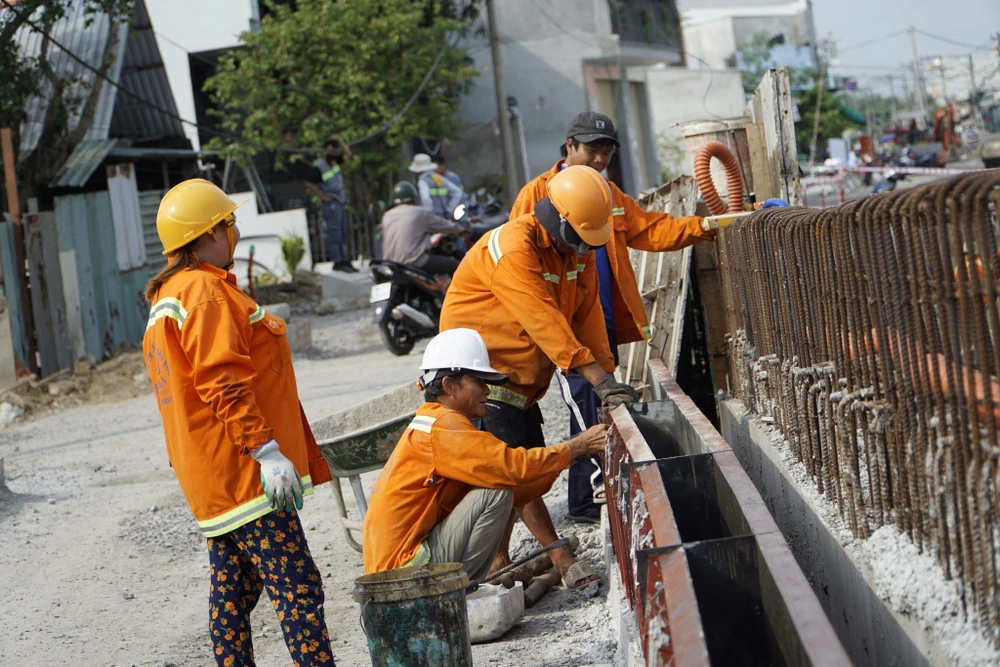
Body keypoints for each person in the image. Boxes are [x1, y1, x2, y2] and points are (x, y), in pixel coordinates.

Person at [143, 179, 336, 666]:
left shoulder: (170, 296)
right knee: (298, 589)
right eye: (230, 223)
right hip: (245, 474)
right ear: (209, 232)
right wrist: (266, 452)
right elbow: (223, 382)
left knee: (233, 596)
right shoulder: (204, 293)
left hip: (213, 479)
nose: (236, 231)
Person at [440, 165, 640, 590]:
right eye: (581, 239)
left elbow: (587, 319)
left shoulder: (574, 252)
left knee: (518, 468)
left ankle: (497, 564)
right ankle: (560, 556)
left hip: (522, 379)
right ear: (559, 219)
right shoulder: (514, 247)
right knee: (518, 470)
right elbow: (543, 319)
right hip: (479, 379)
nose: (586, 250)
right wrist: (592, 376)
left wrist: (607, 376)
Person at [509, 111, 714, 523]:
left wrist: (707, 226)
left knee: (595, 405)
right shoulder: (536, 194)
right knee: (588, 401)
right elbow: (521, 268)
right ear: (570, 148)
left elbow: (652, 231)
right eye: (592, 150)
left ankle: (588, 497)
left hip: (597, 320)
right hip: (562, 323)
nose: (600, 159)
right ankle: (593, 493)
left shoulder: (610, 194)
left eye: (606, 152)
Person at [361, 328, 609, 581]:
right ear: (449, 385)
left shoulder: (439, 422)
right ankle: (466, 587)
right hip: (405, 574)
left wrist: (565, 459)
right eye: (479, 382)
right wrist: (577, 446)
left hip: (397, 568)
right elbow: (508, 469)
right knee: (496, 489)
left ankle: (481, 576)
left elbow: (518, 485)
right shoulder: (444, 426)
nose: (487, 391)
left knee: (499, 484)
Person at [381, 181, 464, 277]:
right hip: (415, 261)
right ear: (413, 198)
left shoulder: (387, 216)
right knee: (455, 265)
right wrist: (458, 229)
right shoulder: (419, 212)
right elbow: (443, 224)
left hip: (392, 265)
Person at [306, 137, 355, 273]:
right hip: (331, 203)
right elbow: (309, 183)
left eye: (334, 151)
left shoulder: (334, 162)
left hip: (340, 202)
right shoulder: (318, 166)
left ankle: (346, 261)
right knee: (335, 233)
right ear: (324, 151)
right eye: (330, 150)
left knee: (342, 232)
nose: (333, 153)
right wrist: (322, 196)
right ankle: (338, 261)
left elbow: (348, 154)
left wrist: (340, 141)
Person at [409, 152, 464, 220]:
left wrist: (429, 216)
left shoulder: (423, 181)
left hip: (433, 219)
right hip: (445, 218)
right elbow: (458, 192)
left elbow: (426, 199)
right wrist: (449, 210)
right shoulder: (439, 178)